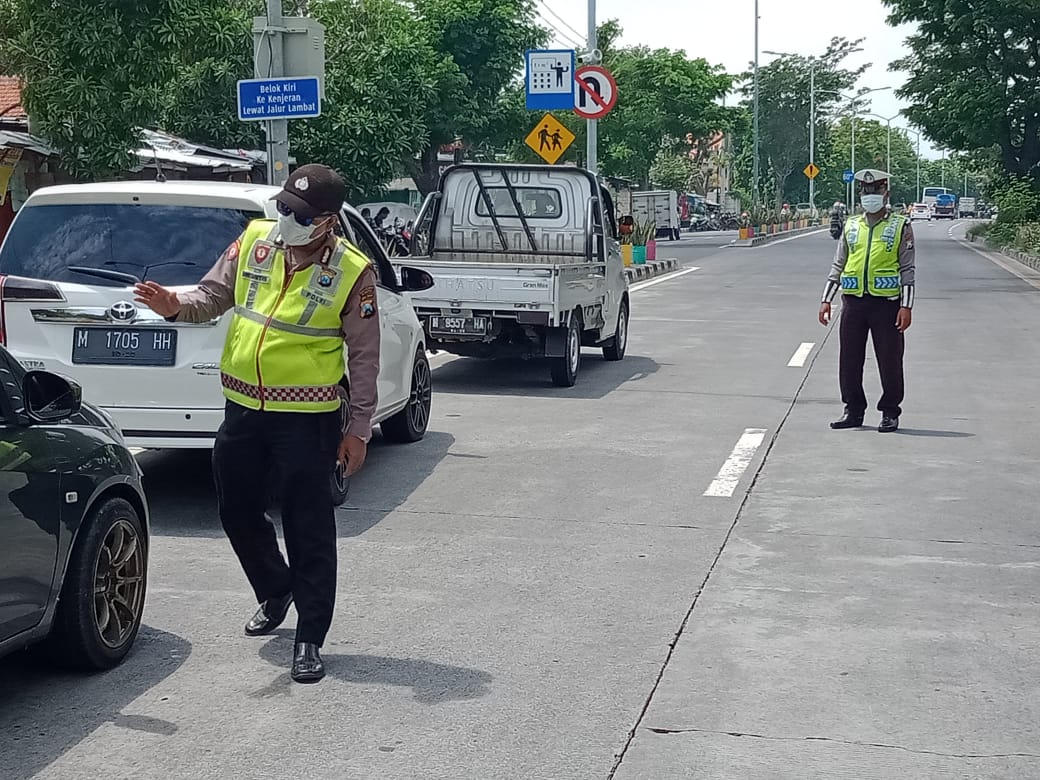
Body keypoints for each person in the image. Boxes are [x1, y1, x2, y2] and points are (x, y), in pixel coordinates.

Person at [133, 164, 380, 683]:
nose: (286, 218)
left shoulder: (353, 271)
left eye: (300, 214)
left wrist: (357, 429)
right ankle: (275, 588)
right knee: (237, 510)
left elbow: (363, 356)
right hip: (242, 409)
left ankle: (310, 635)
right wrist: (173, 305)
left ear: (327, 221)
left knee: (308, 525)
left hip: (308, 420)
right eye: (284, 207)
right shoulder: (254, 242)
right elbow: (211, 297)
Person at [818, 168, 915, 433]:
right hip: (853, 303)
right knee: (849, 359)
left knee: (890, 359)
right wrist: (826, 299)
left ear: (886, 194)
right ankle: (853, 410)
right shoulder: (851, 225)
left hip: (887, 304)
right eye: (866, 191)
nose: (870, 195)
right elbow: (839, 264)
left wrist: (906, 306)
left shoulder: (900, 226)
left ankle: (890, 412)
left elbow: (907, 270)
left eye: (876, 191)